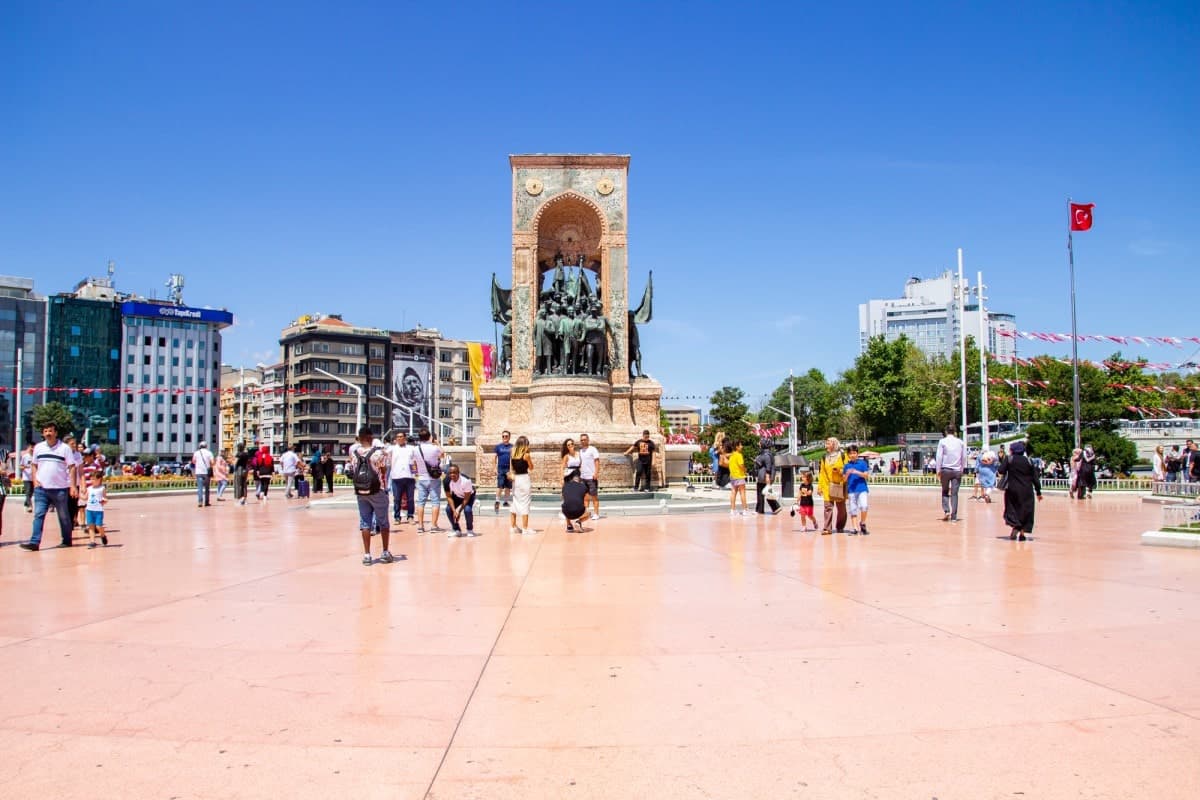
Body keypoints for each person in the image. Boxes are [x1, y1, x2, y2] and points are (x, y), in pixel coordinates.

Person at [21, 423, 78, 551]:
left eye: (50, 431)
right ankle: (34, 542)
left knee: (64, 516)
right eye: (45, 431)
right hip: (42, 489)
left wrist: (73, 486)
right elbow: (34, 465)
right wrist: (35, 481)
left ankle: (67, 540)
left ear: (55, 433)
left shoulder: (64, 448)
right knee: (38, 515)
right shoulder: (39, 448)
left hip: (60, 489)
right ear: (43, 433)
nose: (48, 433)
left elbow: (72, 467)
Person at [348, 425, 394, 565]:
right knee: (383, 522)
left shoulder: (354, 453)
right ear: (370, 437)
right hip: (377, 490)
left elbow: (352, 469)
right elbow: (384, 470)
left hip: (361, 491)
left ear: (359, 438)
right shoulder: (378, 453)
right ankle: (385, 552)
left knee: (365, 523)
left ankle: (367, 555)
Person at [997, 440, 1042, 540]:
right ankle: (1022, 533)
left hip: (1012, 490)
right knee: (1026, 511)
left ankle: (1016, 526)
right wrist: (1038, 492)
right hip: (1027, 491)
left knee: (1013, 509)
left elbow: (1001, 470)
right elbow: (1035, 478)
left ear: (1012, 450)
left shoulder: (1009, 459)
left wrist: (1003, 461)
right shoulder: (1029, 461)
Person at [412, 428, 445, 534]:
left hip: (421, 478)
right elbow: (442, 454)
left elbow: (413, 462)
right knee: (435, 502)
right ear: (430, 437)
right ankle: (434, 526)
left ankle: (420, 526)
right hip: (434, 478)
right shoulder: (435, 448)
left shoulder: (415, 449)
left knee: (421, 502)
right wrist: (437, 443)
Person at [843, 444, 879, 535]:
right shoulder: (846, 466)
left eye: (854, 453)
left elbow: (866, 475)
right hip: (851, 490)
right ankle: (855, 528)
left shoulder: (862, 463)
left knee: (864, 506)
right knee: (853, 509)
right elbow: (844, 479)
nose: (852, 455)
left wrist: (856, 472)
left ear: (857, 454)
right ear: (848, 455)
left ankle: (862, 523)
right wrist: (847, 474)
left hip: (862, 489)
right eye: (850, 453)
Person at [934, 426, 966, 522]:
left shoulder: (942, 442)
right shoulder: (960, 442)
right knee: (954, 494)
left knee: (945, 491)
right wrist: (962, 469)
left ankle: (946, 510)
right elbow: (964, 457)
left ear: (946, 431)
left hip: (945, 469)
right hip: (957, 470)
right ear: (955, 432)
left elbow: (939, 457)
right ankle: (954, 516)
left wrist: (938, 470)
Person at [817, 436, 848, 534]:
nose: (826, 445)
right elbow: (822, 473)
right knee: (828, 507)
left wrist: (840, 471)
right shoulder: (824, 457)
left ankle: (840, 526)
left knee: (841, 509)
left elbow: (847, 469)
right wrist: (820, 487)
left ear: (834, 444)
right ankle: (827, 528)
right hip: (827, 485)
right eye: (826, 443)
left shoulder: (843, 456)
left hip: (839, 484)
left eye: (828, 443)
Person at [387, 432, 416, 524]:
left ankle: (410, 516)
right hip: (396, 476)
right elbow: (383, 454)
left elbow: (415, 460)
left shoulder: (411, 448)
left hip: (409, 476)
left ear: (405, 438)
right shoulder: (391, 448)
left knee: (410, 498)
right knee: (397, 498)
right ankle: (397, 517)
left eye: (401, 436)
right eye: (398, 437)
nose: (399, 438)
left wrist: (415, 473)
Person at [509, 434, 535, 535]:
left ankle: (513, 527)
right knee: (525, 502)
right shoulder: (526, 455)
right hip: (524, 479)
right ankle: (525, 528)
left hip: (516, 479)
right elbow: (531, 468)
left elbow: (511, 468)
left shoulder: (512, 453)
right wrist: (528, 457)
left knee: (515, 501)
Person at [442, 464, 477, 537]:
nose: (452, 475)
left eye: (454, 473)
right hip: (457, 495)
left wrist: (459, 511)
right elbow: (449, 497)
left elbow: (466, 498)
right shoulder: (446, 481)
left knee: (467, 510)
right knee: (448, 509)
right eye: (450, 473)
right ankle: (456, 530)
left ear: (458, 473)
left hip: (468, 496)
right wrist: (454, 511)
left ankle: (470, 530)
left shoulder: (466, 480)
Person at [753, 439, 781, 514]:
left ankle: (760, 509)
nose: (759, 444)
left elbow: (768, 466)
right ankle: (775, 507)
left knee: (761, 493)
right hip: (765, 476)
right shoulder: (767, 454)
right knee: (767, 492)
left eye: (760, 443)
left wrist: (767, 476)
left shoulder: (766, 455)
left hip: (764, 476)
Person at [577, 433, 601, 520]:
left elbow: (597, 461)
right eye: (581, 440)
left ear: (588, 440)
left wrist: (596, 473)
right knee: (585, 497)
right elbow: (580, 463)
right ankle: (586, 513)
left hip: (591, 477)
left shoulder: (593, 449)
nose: (583, 441)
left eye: (584, 440)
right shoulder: (580, 451)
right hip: (583, 477)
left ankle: (596, 514)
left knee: (594, 496)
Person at [83, 470, 109, 548]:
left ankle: (103, 535)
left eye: (93, 479)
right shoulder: (89, 488)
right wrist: (80, 495)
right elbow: (85, 498)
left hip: (98, 510)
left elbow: (105, 498)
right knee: (91, 526)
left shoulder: (102, 488)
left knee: (98, 526)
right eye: (91, 479)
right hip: (89, 510)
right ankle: (92, 541)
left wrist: (104, 501)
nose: (92, 481)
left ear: (99, 479)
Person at [562, 468, 589, 532]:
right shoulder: (583, 486)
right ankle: (579, 521)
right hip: (579, 511)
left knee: (566, 506)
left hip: (566, 512)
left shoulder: (565, 486)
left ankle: (569, 526)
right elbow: (586, 501)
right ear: (579, 477)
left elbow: (564, 499)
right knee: (588, 514)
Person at [728, 440, 750, 516]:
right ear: (737, 447)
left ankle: (732, 510)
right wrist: (745, 470)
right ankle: (745, 510)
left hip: (733, 476)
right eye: (740, 445)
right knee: (742, 492)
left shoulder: (731, 455)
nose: (742, 446)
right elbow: (741, 465)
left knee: (733, 492)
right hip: (739, 476)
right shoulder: (739, 455)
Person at [494, 430, 513, 513]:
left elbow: (512, 458)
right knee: (500, 486)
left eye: (506, 436)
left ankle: (506, 502)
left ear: (509, 437)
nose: (504, 437)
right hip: (500, 468)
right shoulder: (498, 447)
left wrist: (511, 470)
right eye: (503, 436)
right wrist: (494, 468)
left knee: (508, 487)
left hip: (509, 468)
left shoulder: (512, 447)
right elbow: (494, 457)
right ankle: (497, 501)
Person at [192, 440, 214, 508]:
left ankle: (200, 501)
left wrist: (198, 464)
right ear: (206, 446)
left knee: (200, 488)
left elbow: (193, 461)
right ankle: (206, 502)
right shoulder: (209, 453)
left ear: (200, 446)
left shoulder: (196, 453)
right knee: (207, 488)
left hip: (198, 472)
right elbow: (212, 462)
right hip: (206, 472)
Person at [18, 443, 34, 512]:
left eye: (33, 447)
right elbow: (20, 466)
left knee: (31, 492)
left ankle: (26, 503)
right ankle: (30, 506)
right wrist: (25, 467)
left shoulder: (36, 456)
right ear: (28, 448)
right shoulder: (25, 456)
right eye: (31, 447)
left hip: (33, 478)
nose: (32, 449)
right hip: (26, 478)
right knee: (28, 492)